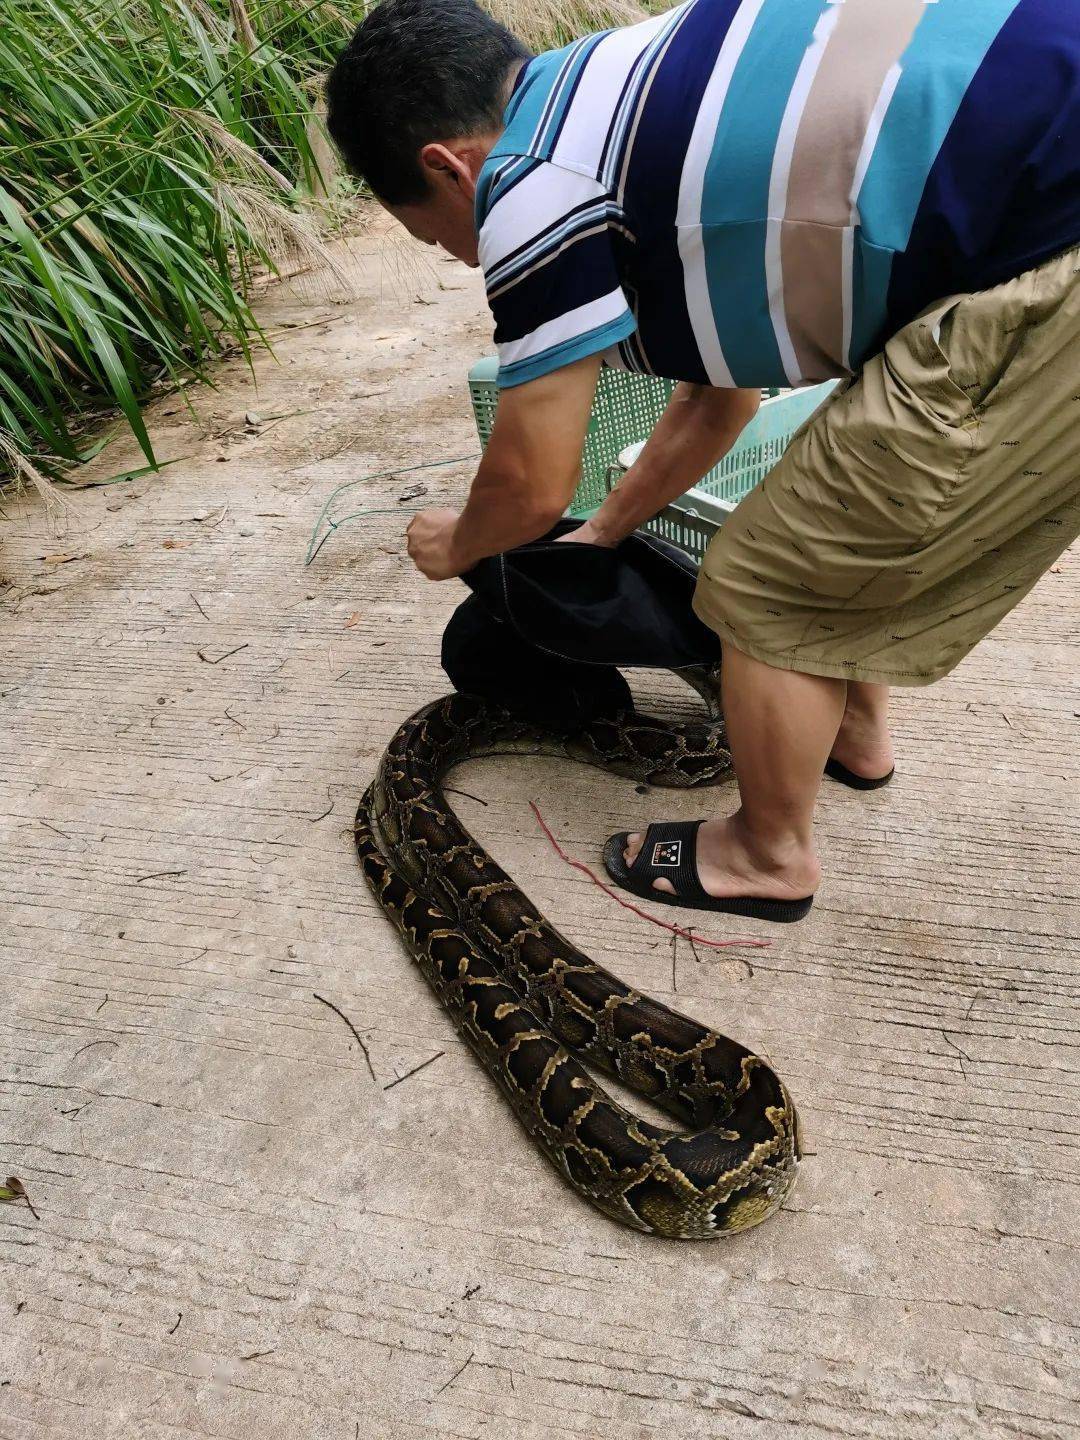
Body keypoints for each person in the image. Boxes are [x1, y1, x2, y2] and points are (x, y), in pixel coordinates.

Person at [326, 0, 1080, 923]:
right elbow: (717, 396)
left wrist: (455, 544)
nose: (458, 258)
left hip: (1052, 244)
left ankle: (766, 856)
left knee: (764, 584)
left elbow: (528, 484)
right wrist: (605, 531)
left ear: (448, 166)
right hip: (1036, 176)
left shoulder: (524, 183)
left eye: (438, 236)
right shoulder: (615, 101)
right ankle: (850, 736)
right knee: (837, 522)